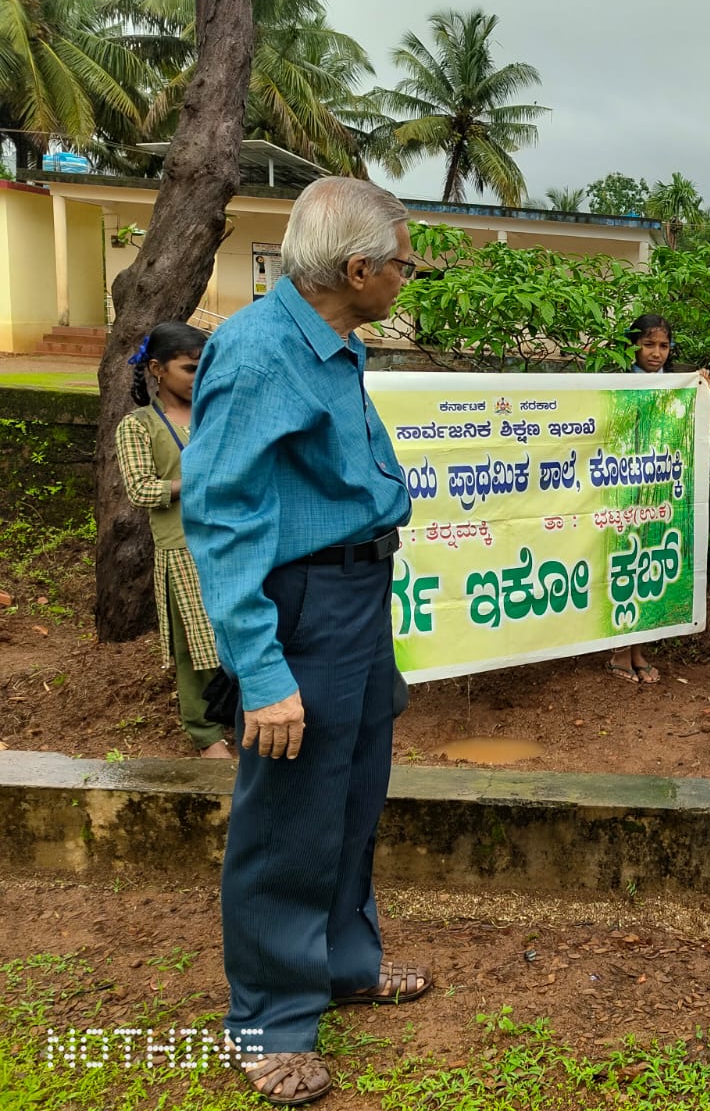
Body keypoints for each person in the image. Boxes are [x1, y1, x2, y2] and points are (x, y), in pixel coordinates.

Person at [183, 177, 428, 1106]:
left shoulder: (332, 342)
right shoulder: (256, 354)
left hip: (359, 597)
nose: (406, 278)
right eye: (402, 264)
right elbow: (222, 519)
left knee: (354, 793)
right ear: (357, 267)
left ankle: (343, 964)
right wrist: (263, 669)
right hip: (304, 604)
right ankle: (269, 1021)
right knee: (289, 811)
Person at [113, 322, 232, 759]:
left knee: (233, 636)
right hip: (182, 549)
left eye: (204, 369)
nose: (198, 378)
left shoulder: (214, 412)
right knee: (194, 649)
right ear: (157, 369)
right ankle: (205, 733)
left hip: (231, 543)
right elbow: (142, 489)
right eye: (189, 369)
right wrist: (196, 481)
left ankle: (239, 715)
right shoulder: (138, 426)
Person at [608, 313, 710, 685]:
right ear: (632, 345)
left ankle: (639, 650)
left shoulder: (674, 383)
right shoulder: (616, 381)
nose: (656, 353)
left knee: (648, 562)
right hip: (623, 487)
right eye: (648, 344)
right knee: (624, 561)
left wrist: (699, 392)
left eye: (663, 346)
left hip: (660, 488)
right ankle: (620, 651)